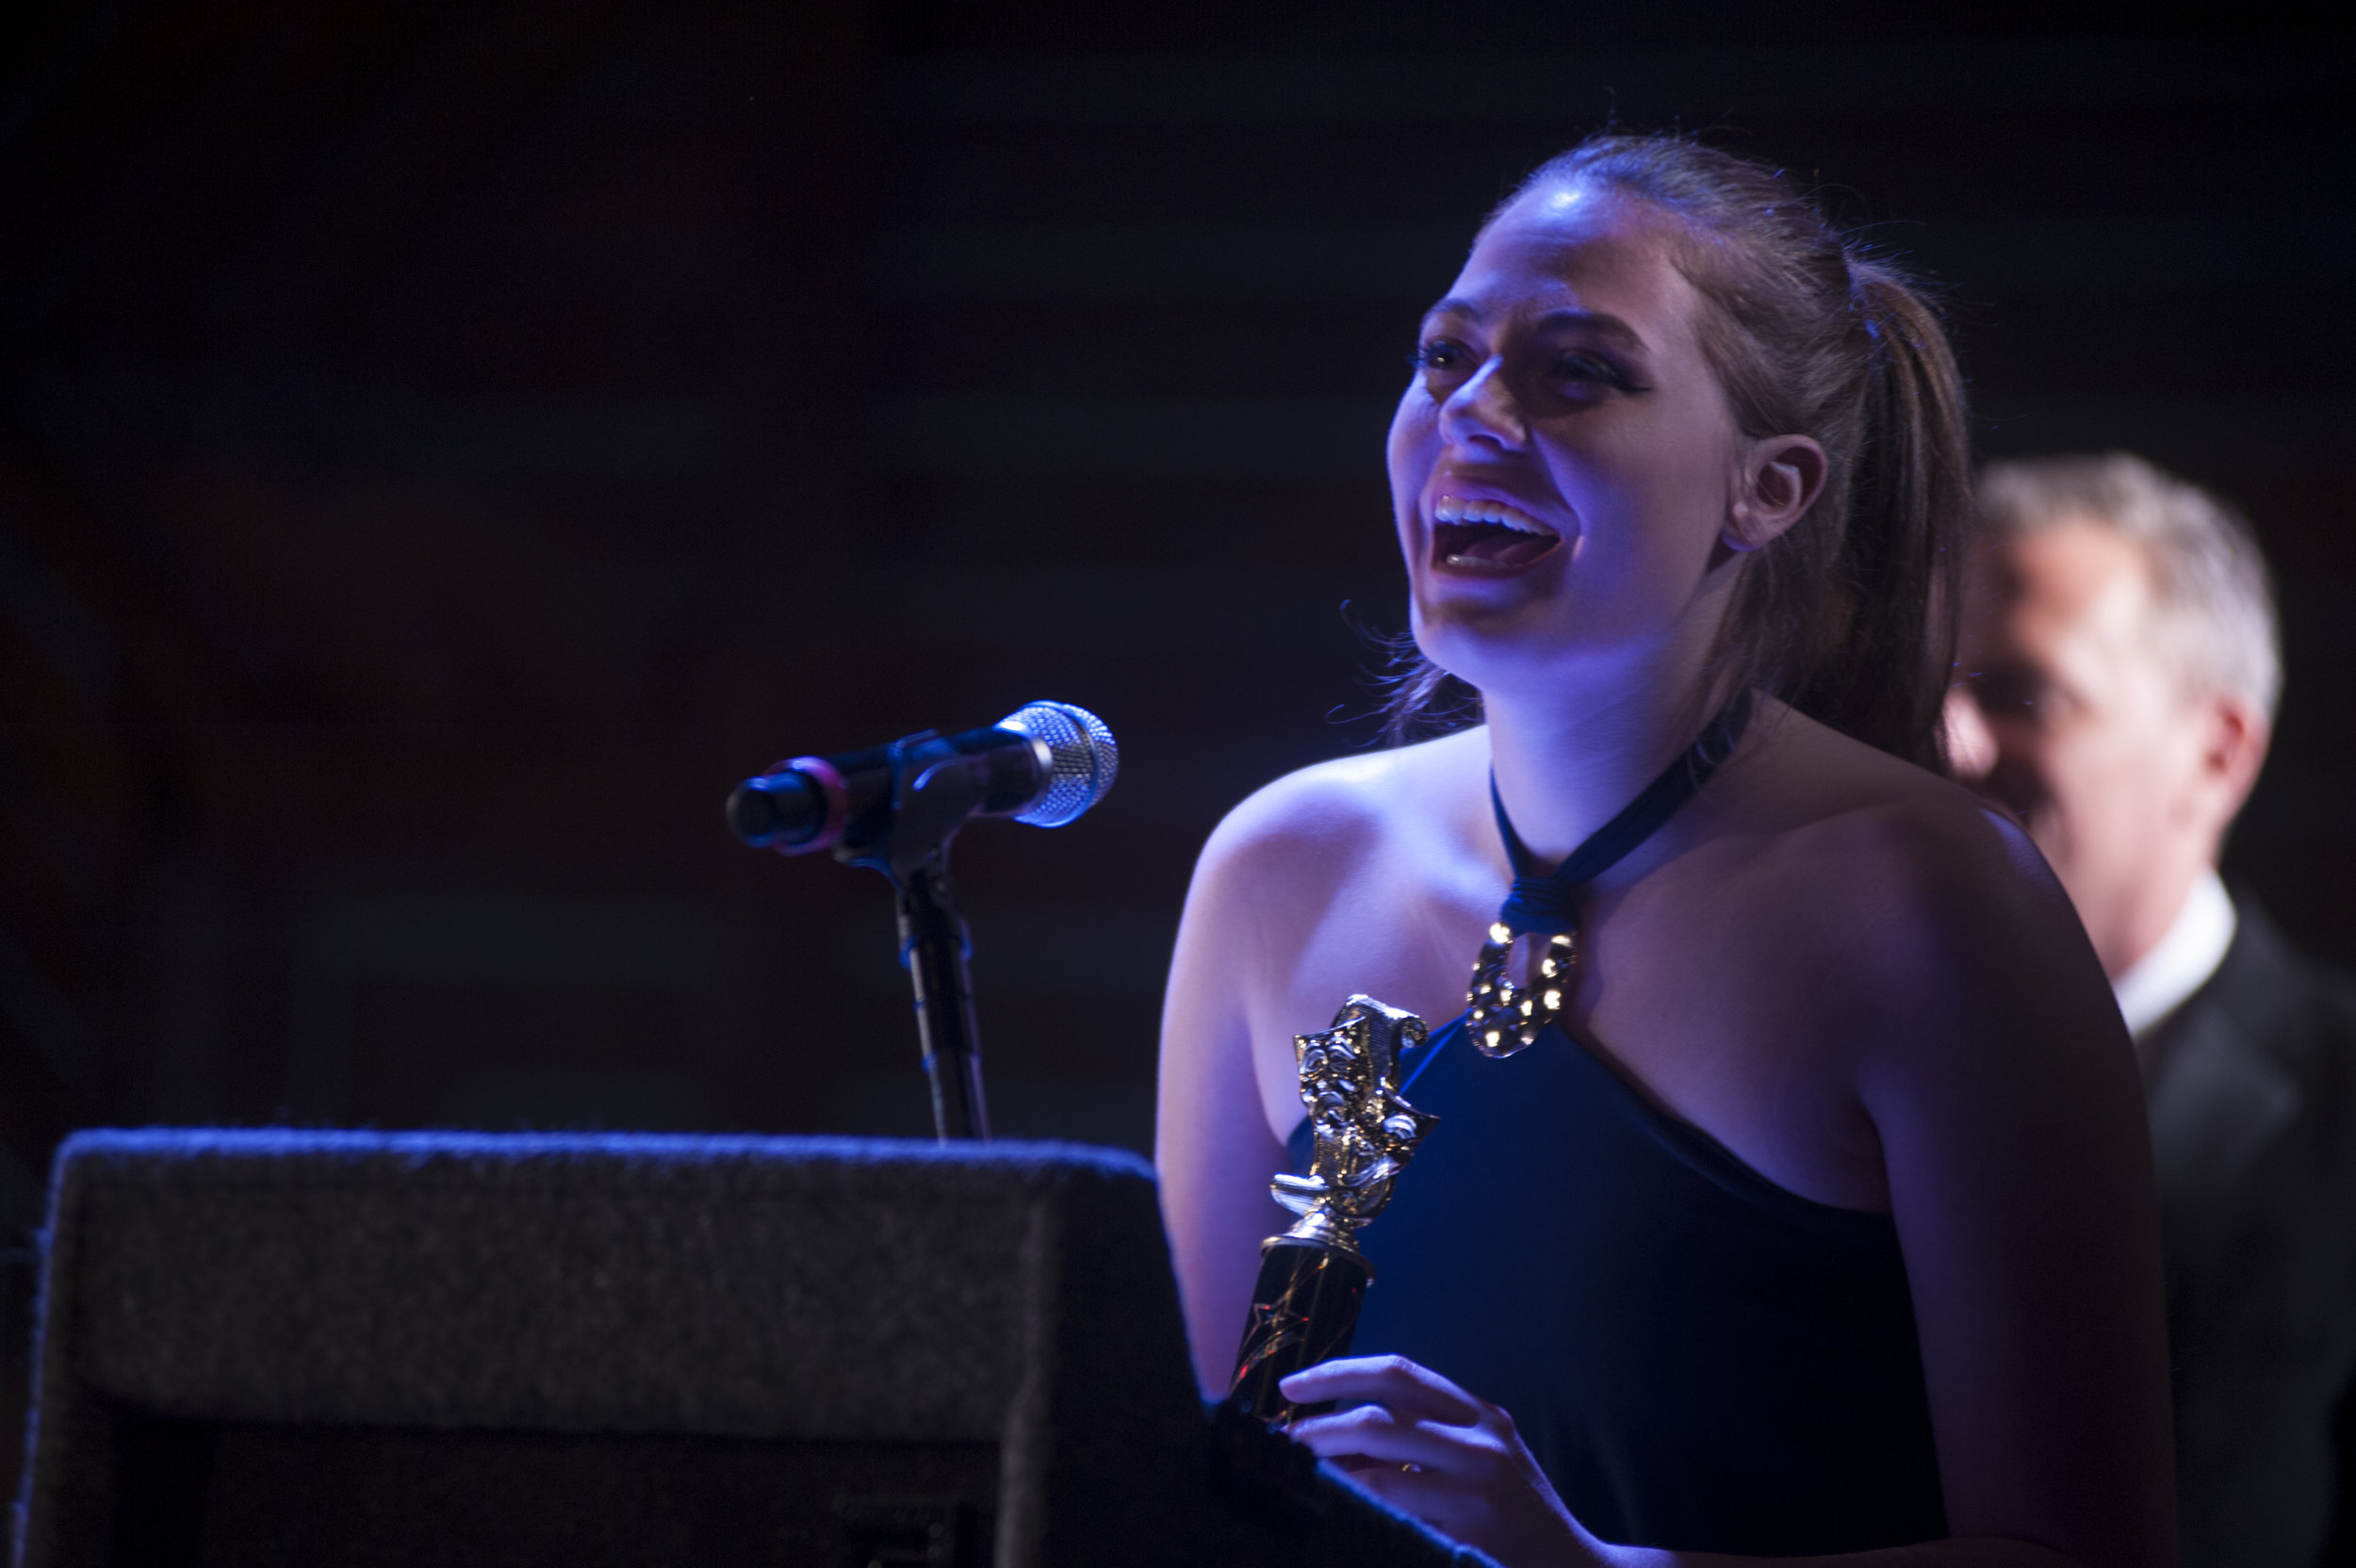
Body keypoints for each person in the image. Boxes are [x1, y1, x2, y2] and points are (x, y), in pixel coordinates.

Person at [1155, 134, 2178, 1568]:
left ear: (1771, 489)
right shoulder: (1282, 867)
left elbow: (2093, 1551)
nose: (1475, 414)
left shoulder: (1932, 906)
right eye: (1446, 358)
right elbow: (1180, 1483)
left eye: (1580, 369)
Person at [1947, 453, 2356, 1568]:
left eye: (2019, 690)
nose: (1946, 742)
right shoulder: (1805, 1074)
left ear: (2215, 752)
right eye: (1926, 687)